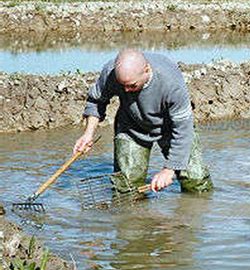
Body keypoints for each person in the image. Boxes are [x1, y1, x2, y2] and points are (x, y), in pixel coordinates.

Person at [73, 48, 213, 193]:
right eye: (123, 86)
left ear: (147, 70)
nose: (126, 90)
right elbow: (96, 101)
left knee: (196, 183)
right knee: (126, 187)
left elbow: (183, 129)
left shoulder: (171, 82)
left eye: (132, 85)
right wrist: (88, 134)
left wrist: (169, 169)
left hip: (170, 128)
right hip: (131, 127)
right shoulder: (111, 72)